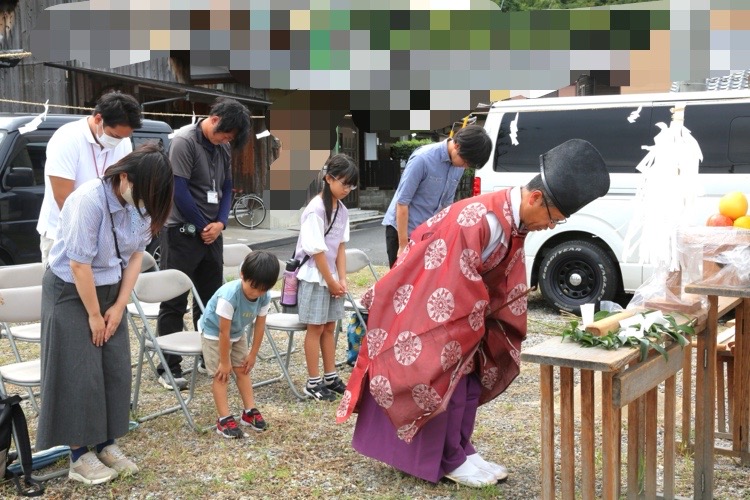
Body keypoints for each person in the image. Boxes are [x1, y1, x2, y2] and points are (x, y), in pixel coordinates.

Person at [337, 139, 610, 487]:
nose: (550, 226)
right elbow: (448, 284)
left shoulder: (512, 220)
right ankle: (448, 458)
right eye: (552, 219)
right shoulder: (480, 219)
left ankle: (461, 449)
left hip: (465, 308)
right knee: (442, 371)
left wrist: (490, 314)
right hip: (428, 303)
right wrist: (477, 314)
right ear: (535, 198)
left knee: (468, 379)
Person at [37, 144, 174, 485]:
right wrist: (96, 316)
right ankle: (78, 455)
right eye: (144, 194)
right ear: (124, 177)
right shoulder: (88, 200)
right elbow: (79, 264)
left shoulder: (139, 206)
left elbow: (136, 256)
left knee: (113, 367)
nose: (146, 203)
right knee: (79, 372)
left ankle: (106, 443)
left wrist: (118, 306)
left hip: (112, 290)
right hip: (72, 291)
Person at [156, 97, 250, 390]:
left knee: (211, 299)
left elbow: (225, 188)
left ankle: (205, 355)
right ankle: (168, 366)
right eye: (226, 133)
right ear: (215, 118)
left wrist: (221, 223)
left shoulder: (222, 147)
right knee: (174, 300)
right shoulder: (184, 141)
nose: (226, 140)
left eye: (231, 138)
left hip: (212, 233)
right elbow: (179, 189)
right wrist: (201, 226)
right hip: (182, 232)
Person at [37, 91, 142, 264]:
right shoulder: (68, 138)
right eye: (115, 136)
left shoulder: (122, 142)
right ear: (99, 119)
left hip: (105, 235)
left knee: (102, 288)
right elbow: (63, 197)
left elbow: (122, 187)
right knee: (66, 289)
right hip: (64, 233)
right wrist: (92, 234)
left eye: (124, 137)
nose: (119, 141)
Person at [292, 154, 358, 401]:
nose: (347, 190)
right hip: (313, 277)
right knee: (316, 327)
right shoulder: (315, 210)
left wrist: (342, 279)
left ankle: (330, 376)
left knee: (330, 327)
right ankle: (313, 381)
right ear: (328, 179)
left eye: (351, 185)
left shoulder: (341, 210)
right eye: (344, 183)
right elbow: (316, 251)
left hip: (330, 277)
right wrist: (331, 280)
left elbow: (340, 246)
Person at [382, 124, 491, 267]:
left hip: (427, 233)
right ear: (457, 146)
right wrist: (403, 245)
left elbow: (447, 205)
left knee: (423, 283)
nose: (465, 167)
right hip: (402, 230)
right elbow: (402, 202)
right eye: (466, 162)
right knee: (399, 284)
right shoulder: (423, 159)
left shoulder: (458, 167)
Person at [198, 250, 280, 439]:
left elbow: (260, 326)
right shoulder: (229, 296)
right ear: (242, 275)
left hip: (236, 332)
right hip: (213, 333)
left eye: (262, 289)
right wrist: (225, 362)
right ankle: (223, 419)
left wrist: (253, 353)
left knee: (243, 370)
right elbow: (222, 332)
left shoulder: (263, 296)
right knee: (222, 375)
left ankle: (249, 411)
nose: (257, 293)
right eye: (253, 287)